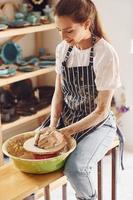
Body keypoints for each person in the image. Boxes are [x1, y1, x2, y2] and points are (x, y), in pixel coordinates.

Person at [35, 0, 123, 200]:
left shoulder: (105, 53)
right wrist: (53, 126)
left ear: (87, 24)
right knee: (32, 151)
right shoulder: (62, 50)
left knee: (75, 170)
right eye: (59, 30)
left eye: (69, 31)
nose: (63, 37)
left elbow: (101, 110)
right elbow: (59, 94)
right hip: (68, 117)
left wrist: (63, 133)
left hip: (98, 124)